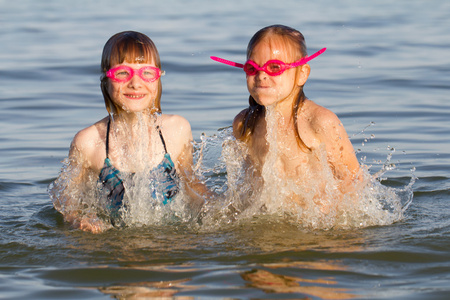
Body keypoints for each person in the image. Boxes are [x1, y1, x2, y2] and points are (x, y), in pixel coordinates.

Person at [50, 31, 207, 233]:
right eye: (123, 73)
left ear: (158, 79)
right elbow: (65, 198)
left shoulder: (177, 130)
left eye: (147, 73)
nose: (135, 83)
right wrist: (78, 219)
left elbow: (194, 187)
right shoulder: (88, 142)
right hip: (114, 247)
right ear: (106, 80)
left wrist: (221, 209)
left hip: (168, 243)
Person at [210, 25, 361, 211]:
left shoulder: (318, 121)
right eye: (252, 68)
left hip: (315, 228)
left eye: (275, 67)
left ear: (302, 74)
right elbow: (245, 188)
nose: (261, 75)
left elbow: (353, 180)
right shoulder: (244, 124)